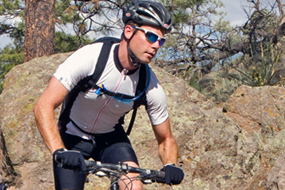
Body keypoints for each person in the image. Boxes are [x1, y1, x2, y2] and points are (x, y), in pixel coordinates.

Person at [34, 1, 184, 189]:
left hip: (110, 140)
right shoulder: (90, 58)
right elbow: (43, 105)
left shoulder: (149, 85)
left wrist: (170, 164)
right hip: (72, 135)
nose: (156, 46)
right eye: (151, 36)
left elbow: (166, 138)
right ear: (129, 31)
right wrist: (59, 150)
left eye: (160, 41)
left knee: (134, 185)